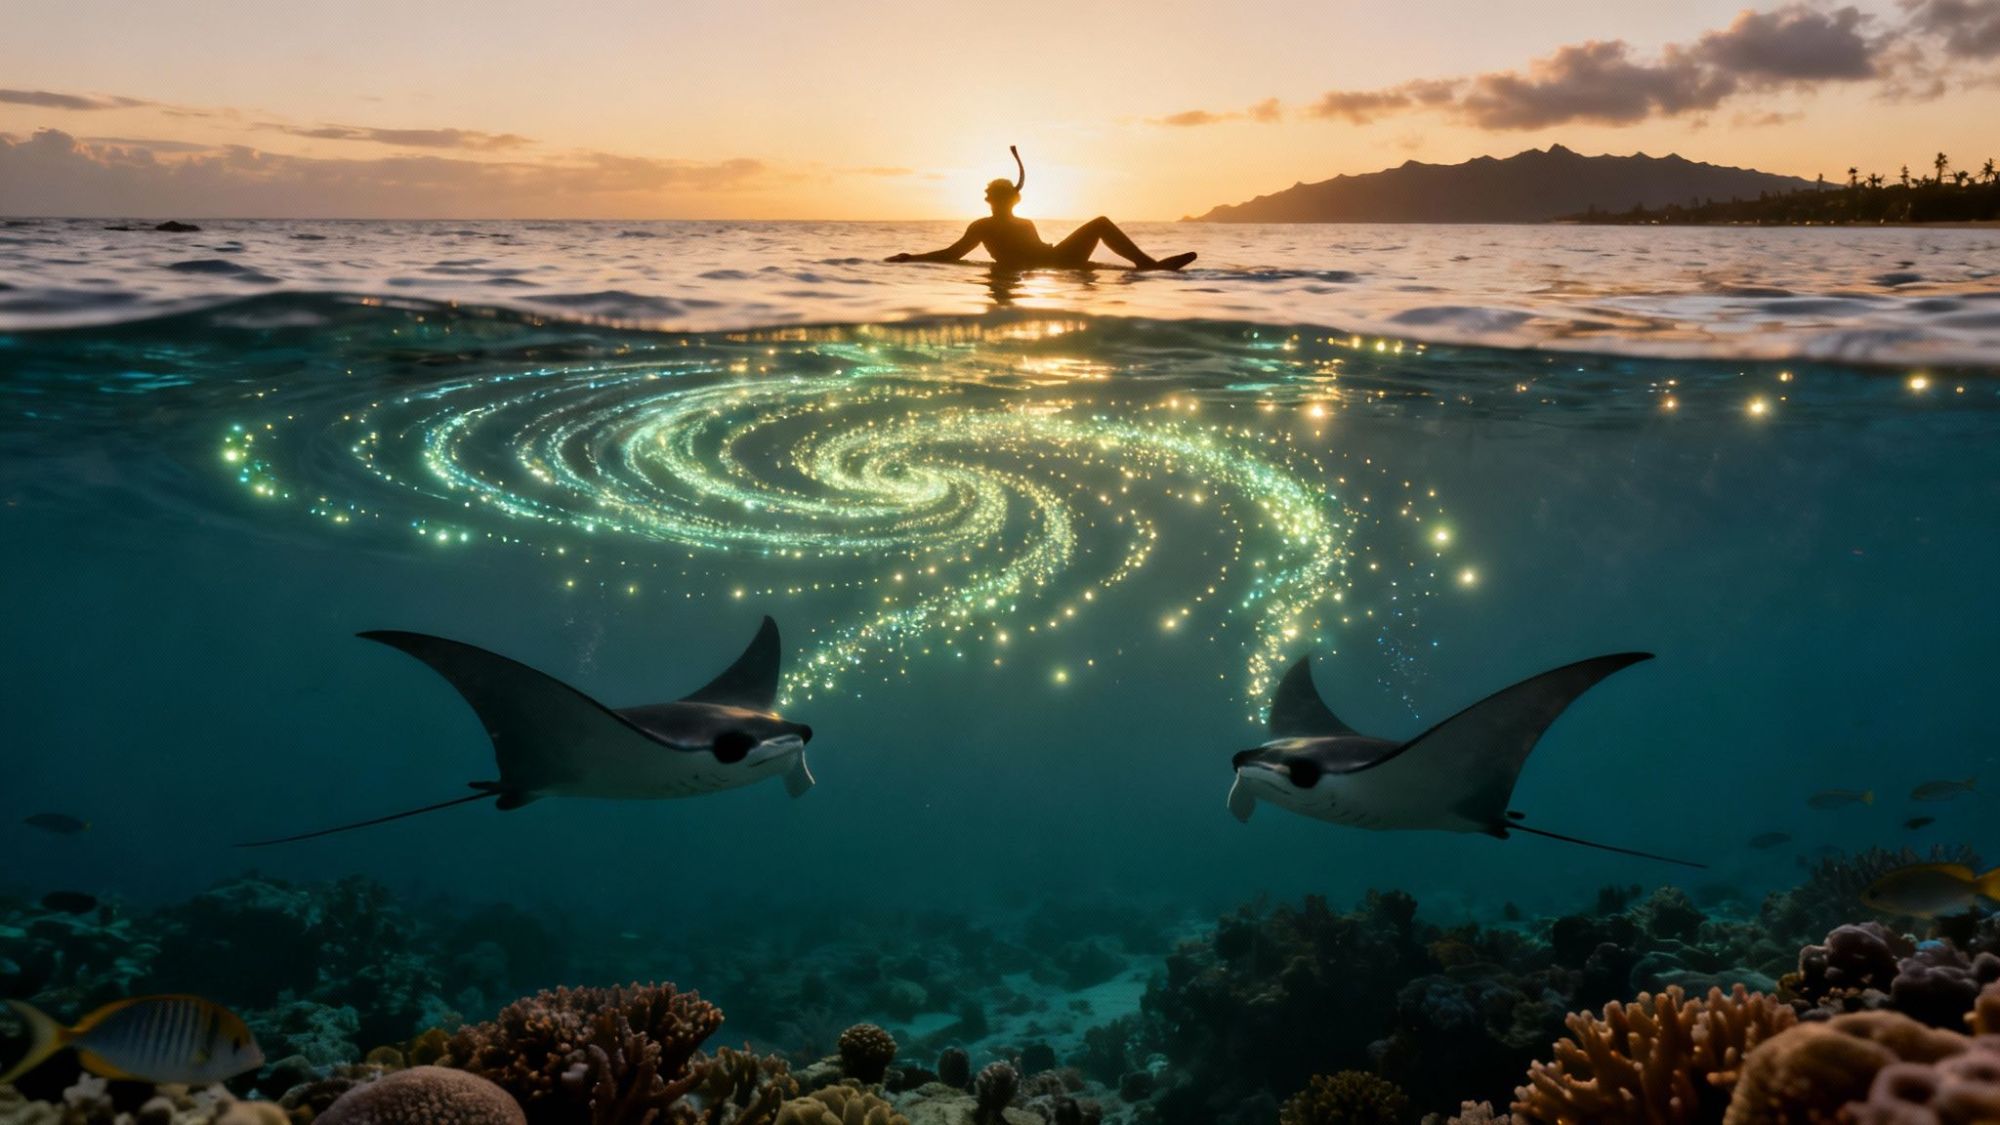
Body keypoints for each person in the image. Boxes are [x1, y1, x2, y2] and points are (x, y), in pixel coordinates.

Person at [888, 147, 1196, 271]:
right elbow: (952, 254)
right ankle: (1151, 268)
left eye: (999, 197)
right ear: (990, 201)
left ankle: (1149, 266)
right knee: (1099, 226)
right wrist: (912, 257)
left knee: (1101, 222)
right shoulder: (982, 226)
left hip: (1058, 259)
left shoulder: (1024, 224)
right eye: (993, 197)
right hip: (1057, 263)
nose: (995, 202)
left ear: (1011, 200)